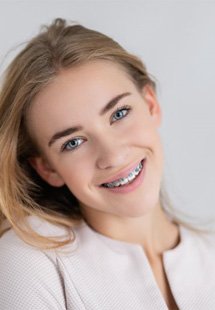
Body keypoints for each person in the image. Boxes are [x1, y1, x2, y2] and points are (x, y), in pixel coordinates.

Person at [0, 18, 214, 310]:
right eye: (73, 142)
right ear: (47, 168)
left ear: (150, 104)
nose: (112, 155)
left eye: (119, 113)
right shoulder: (28, 262)